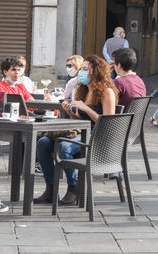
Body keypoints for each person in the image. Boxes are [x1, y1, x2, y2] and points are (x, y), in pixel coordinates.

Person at [35, 55, 118, 204]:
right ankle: (50, 189)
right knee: (43, 142)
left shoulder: (107, 92)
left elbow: (108, 124)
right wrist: (72, 114)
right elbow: (81, 123)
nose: (82, 72)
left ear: (96, 72)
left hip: (97, 136)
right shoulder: (83, 90)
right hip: (81, 133)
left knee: (63, 146)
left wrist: (87, 108)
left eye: (86, 69)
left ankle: (73, 188)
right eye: (82, 69)